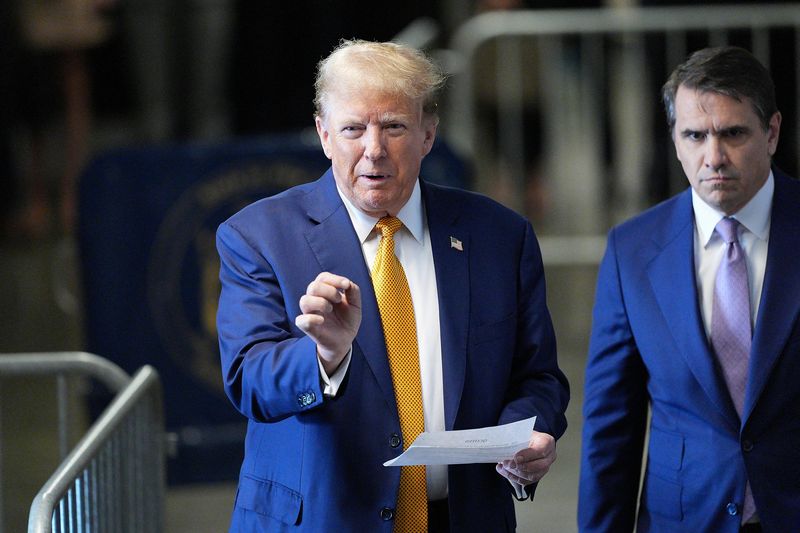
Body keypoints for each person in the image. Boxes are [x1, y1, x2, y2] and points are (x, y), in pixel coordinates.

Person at [215, 39, 569, 532]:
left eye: (394, 127)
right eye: (353, 129)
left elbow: (539, 378)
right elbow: (248, 381)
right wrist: (324, 358)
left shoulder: (499, 236)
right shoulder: (258, 236)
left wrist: (530, 433)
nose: (373, 149)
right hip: (320, 521)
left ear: (428, 133)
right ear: (323, 134)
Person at [578, 46, 800, 532]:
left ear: (773, 132)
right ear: (675, 141)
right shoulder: (631, 251)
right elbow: (610, 429)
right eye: (695, 135)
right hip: (682, 518)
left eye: (733, 133)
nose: (713, 156)